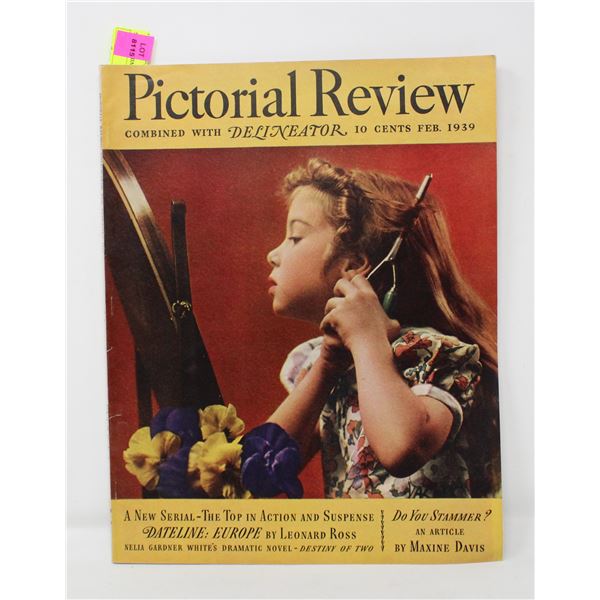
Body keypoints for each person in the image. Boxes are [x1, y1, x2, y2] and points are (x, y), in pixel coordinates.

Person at [266, 158, 500, 499]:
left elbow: (402, 449)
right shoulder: (322, 363)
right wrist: (327, 365)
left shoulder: (431, 353)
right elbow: (263, 472)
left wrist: (366, 339)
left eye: (295, 237)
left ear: (354, 264)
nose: (273, 254)